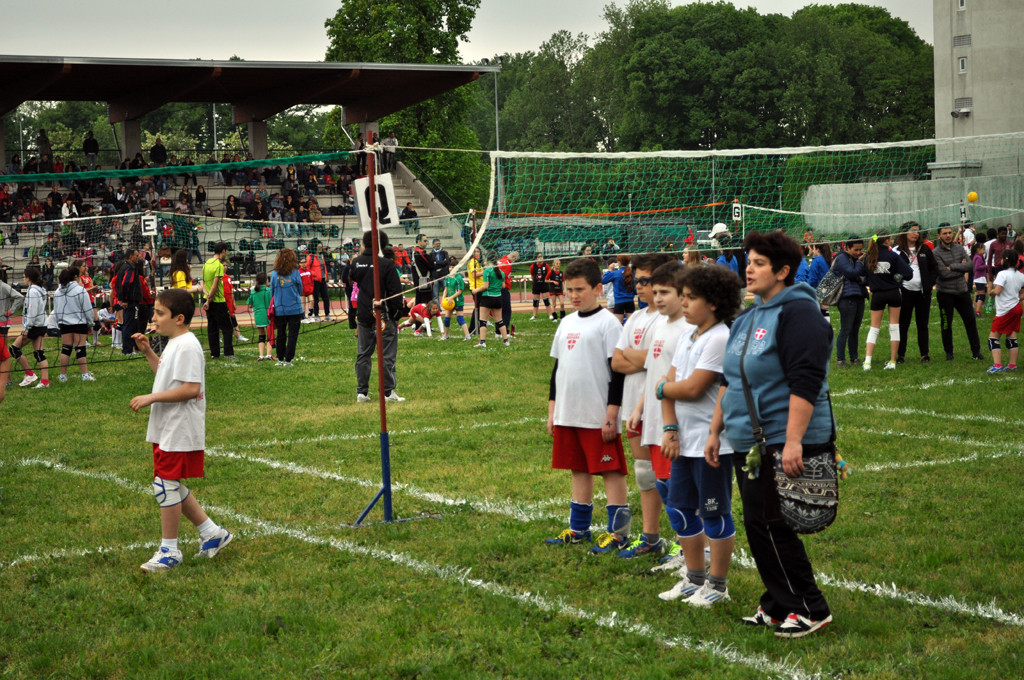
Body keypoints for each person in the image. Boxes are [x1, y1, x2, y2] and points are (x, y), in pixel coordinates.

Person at [708, 230, 835, 638]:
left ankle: (810, 607)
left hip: (782, 436)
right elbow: (730, 378)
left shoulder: (800, 313)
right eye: (749, 261)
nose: (749, 269)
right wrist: (715, 431)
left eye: (759, 263)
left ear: (783, 271)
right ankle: (778, 603)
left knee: (775, 524)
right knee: (758, 524)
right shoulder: (748, 316)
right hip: (748, 440)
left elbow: (806, 381)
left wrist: (794, 440)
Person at [129, 288, 233, 572]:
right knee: (168, 483)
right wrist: (148, 351)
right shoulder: (174, 342)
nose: (154, 318)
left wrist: (150, 398)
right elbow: (166, 375)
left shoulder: (187, 345)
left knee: (165, 485)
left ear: (179, 319)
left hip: (180, 426)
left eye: (159, 313)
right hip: (167, 425)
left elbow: (190, 389)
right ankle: (212, 533)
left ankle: (170, 550)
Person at [656, 264, 742, 606]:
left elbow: (691, 388)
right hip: (684, 441)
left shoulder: (719, 337)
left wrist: (663, 388)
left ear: (715, 303)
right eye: (684, 296)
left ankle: (718, 586)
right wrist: (670, 429)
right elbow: (670, 385)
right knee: (679, 510)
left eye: (691, 298)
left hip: (712, 443)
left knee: (714, 514)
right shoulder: (688, 336)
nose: (684, 303)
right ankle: (694, 579)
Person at [545, 258, 631, 553]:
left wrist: (611, 413)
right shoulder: (566, 322)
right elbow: (557, 371)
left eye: (580, 289)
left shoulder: (609, 324)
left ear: (597, 289)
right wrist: (553, 410)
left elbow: (617, 373)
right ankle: (579, 529)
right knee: (577, 468)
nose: (574, 295)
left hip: (597, 414)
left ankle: (618, 533)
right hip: (568, 412)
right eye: (569, 290)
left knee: (611, 470)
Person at [610, 253, 674, 560]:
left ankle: (686, 540)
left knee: (671, 479)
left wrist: (641, 357)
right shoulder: (635, 318)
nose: (639, 286)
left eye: (646, 281)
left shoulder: (669, 318)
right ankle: (651, 536)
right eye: (636, 281)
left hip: (660, 408)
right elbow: (617, 361)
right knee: (645, 473)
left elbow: (663, 361)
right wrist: (646, 359)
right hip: (634, 406)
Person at [350, 230, 406, 402]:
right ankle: (388, 392)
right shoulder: (387, 264)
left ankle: (362, 392)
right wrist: (397, 314)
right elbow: (396, 293)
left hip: (364, 314)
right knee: (387, 354)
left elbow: (350, 278)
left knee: (363, 353)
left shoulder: (357, 262)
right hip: (383, 315)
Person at [863, 231, 913, 371]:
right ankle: (892, 361)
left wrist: (873, 281)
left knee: (874, 328)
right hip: (893, 293)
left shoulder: (869, 255)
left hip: (877, 295)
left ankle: (867, 362)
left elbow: (864, 275)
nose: (892, 240)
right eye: (890, 238)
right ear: (886, 241)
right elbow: (908, 273)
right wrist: (896, 278)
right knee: (894, 327)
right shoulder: (893, 255)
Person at [933, 223, 983, 361]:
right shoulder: (935, 253)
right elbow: (943, 273)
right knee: (946, 323)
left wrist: (953, 267)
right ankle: (949, 353)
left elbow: (970, 265)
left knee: (970, 321)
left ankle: (976, 352)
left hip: (962, 291)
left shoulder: (960, 248)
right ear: (939, 236)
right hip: (945, 293)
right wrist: (961, 268)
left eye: (950, 232)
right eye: (944, 233)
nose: (948, 235)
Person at [895, 222, 937, 363]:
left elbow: (934, 268)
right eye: (913, 231)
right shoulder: (897, 251)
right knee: (903, 324)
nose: (916, 234)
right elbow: (892, 270)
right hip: (905, 292)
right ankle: (901, 355)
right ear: (904, 233)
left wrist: (929, 283)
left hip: (923, 293)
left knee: (923, 324)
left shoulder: (924, 249)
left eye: (917, 231)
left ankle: (924, 354)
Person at [53, 263, 96, 382]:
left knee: (65, 349)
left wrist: (59, 322)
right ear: (75, 277)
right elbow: (88, 309)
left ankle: (62, 375)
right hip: (79, 323)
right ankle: (85, 374)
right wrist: (90, 323)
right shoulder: (80, 290)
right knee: (80, 349)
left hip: (64, 324)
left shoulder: (57, 292)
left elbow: (56, 310)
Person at [12, 266, 51, 388]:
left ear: (28, 278)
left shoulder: (33, 291)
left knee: (14, 349)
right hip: (40, 324)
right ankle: (44, 381)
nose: (23, 278)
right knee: (39, 353)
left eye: (24, 276)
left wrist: (27, 328)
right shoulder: (40, 289)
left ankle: (30, 374)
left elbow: (32, 311)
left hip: (34, 326)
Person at [986, 250, 1024, 372]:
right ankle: (1012, 365)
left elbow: (998, 291)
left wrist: (990, 290)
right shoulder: (1020, 275)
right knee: (1011, 335)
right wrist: (1016, 298)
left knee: (993, 338)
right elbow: (1022, 294)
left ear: (1005, 260)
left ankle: (997, 366)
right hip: (1017, 307)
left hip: (1006, 309)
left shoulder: (1002, 274)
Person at [832, 239, 867, 367]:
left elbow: (864, 275)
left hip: (859, 296)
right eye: (855, 250)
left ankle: (854, 358)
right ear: (847, 247)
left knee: (855, 330)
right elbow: (852, 274)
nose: (858, 252)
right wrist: (860, 262)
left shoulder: (855, 260)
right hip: (847, 298)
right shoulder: (842, 258)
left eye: (860, 249)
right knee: (846, 329)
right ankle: (840, 359)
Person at [201, 242, 236, 361]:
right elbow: (215, 286)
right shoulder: (219, 265)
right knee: (227, 328)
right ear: (224, 251)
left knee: (212, 327)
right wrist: (210, 298)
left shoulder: (206, 264)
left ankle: (214, 353)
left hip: (208, 298)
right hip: (218, 301)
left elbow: (203, 283)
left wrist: (207, 297)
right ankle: (228, 353)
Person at [270, 248, 303, 367]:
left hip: (280, 309)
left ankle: (280, 359)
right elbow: (300, 289)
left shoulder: (274, 274)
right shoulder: (295, 272)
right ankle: (288, 360)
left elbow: (272, 292)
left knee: (281, 334)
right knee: (292, 335)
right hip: (295, 308)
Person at [471, 251, 510, 348]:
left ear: (488, 260)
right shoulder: (501, 272)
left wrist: (476, 290)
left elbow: (485, 286)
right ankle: (506, 340)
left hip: (487, 297)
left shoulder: (487, 271)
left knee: (483, 320)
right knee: (499, 320)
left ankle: (482, 342)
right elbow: (503, 286)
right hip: (498, 297)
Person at [114, 250, 143, 355]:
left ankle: (129, 348)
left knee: (128, 324)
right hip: (131, 301)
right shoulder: (130, 268)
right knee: (130, 325)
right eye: (136, 255)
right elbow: (126, 283)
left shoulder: (123, 267)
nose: (138, 257)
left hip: (127, 300)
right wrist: (125, 299)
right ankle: (128, 350)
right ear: (131, 256)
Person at [441, 259, 472, 341]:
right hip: (450, 302)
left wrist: (451, 297)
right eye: (450, 267)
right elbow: (446, 289)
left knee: (460, 319)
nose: (451, 269)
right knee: (446, 319)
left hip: (458, 301)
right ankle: (446, 335)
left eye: (453, 267)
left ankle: (467, 336)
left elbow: (459, 291)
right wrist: (443, 297)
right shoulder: (448, 277)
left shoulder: (458, 278)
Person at [247, 272, 273, 361]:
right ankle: (269, 355)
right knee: (270, 336)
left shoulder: (253, 292)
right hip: (269, 316)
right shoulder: (269, 291)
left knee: (261, 336)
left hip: (258, 316)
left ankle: (261, 356)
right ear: (266, 281)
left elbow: (250, 305)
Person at [602, 254, 636, 323]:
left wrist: (609, 270)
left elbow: (603, 280)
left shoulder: (615, 273)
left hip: (619, 301)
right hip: (630, 300)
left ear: (619, 262)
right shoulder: (632, 273)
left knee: (618, 324)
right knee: (631, 324)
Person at [305, 247, 332, 322]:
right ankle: (316, 315)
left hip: (323, 279)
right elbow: (307, 268)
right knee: (315, 298)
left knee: (326, 297)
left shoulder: (321, 256)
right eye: (319, 247)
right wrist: (314, 274)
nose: (320, 248)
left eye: (320, 247)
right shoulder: (310, 257)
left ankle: (327, 314)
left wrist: (326, 276)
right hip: (315, 280)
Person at [498, 251, 519, 335]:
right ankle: (504, 331)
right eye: (515, 260)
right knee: (506, 311)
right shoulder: (507, 264)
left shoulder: (500, 260)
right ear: (513, 257)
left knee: (498, 312)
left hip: (496, 289)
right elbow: (502, 277)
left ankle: (498, 331)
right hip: (503, 289)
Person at [529, 254, 552, 320]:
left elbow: (549, 273)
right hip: (536, 285)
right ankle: (534, 315)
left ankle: (550, 315)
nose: (540, 258)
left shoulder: (546, 265)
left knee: (546, 300)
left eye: (541, 256)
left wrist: (547, 280)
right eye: (538, 256)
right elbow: (532, 275)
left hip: (544, 284)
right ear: (536, 258)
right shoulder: (533, 266)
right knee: (535, 301)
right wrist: (534, 281)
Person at [412, 234, 432, 305]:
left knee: (419, 301)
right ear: (419, 241)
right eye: (425, 241)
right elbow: (431, 265)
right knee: (425, 303)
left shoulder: (414, 252)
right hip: (424, 280)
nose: (426, 242)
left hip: (418, 280)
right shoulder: (420, 252)